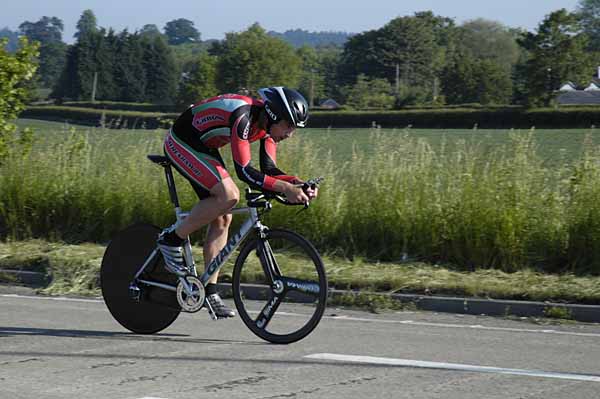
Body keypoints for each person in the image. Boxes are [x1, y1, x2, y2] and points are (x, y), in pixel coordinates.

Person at [157, 87, 318, 318]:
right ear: (273, 116)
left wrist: (298, 184)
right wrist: (285, 189)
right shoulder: (242, 117)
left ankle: (209, 291)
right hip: (182, 141)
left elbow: (269, 170)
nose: (290, 133)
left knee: (224, 217)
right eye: (289, 125)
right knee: (229, 196)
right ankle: (171, 239)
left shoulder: (267, 129)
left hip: (204, 145)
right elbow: (244, 171)